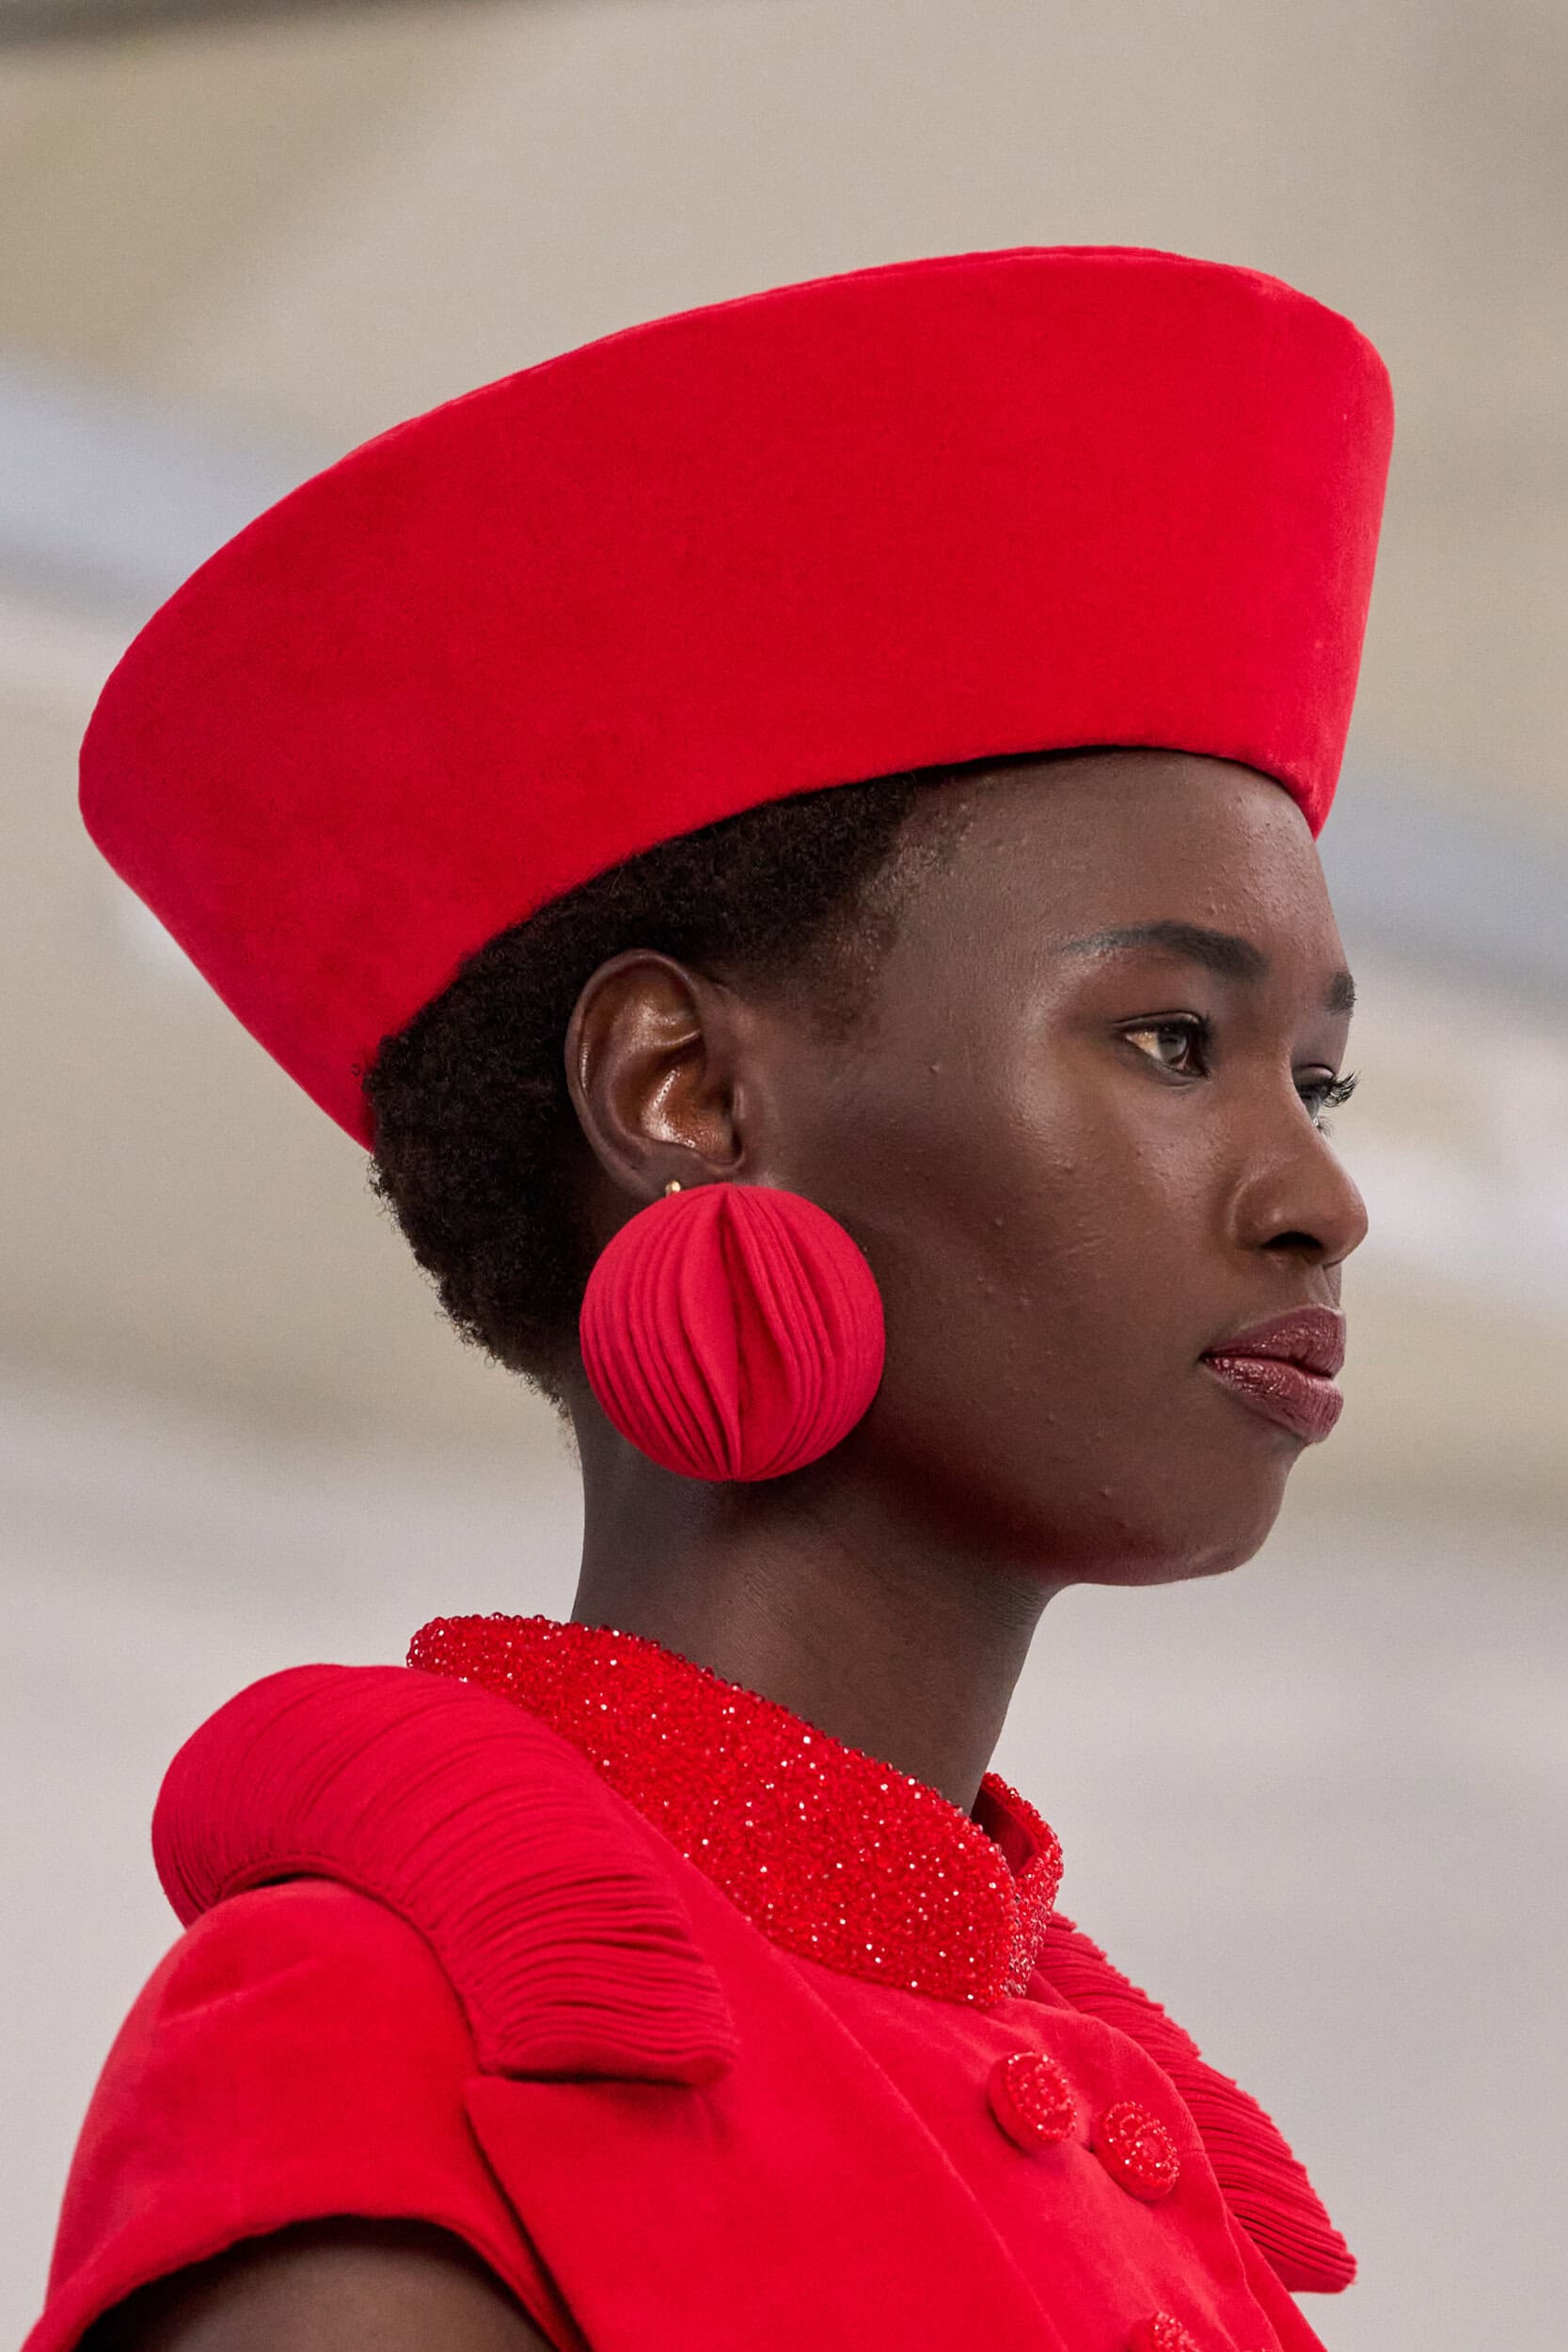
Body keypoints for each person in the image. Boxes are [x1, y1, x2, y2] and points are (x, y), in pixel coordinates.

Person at [26, 246, 1393, 2352]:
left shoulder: (1164, 2172)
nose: (1322, 1197)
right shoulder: (390, 2047)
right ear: (686, 1089)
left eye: (1320, 1078)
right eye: (1169, 1041)